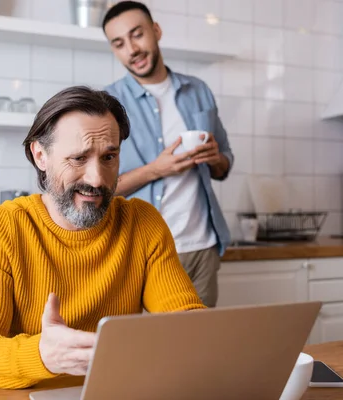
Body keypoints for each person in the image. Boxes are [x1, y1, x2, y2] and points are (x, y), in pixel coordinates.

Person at [0, 86, 206, 390]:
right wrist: (43, 355)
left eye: (109, 157)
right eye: (78, 158)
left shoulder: (143, 223)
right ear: (40, 155)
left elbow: (188, 325)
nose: (97, 179)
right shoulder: (1, 227)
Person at [102, 1, 234, 308]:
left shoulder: (198, 90)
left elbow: (225, 163)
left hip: (203, 247)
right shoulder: (107, 103)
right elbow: (100, 188)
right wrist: (157, 170)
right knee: (148, 351)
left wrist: (215, 158)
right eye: (119, 43)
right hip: (142, 251)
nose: (132, 49)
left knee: (200, 348)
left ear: (156, 31)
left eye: (137, 35)